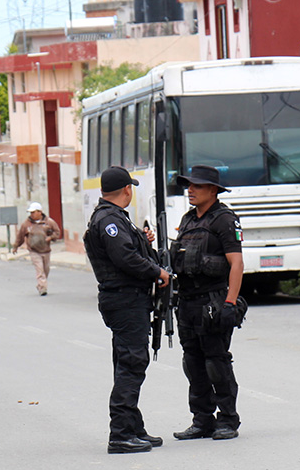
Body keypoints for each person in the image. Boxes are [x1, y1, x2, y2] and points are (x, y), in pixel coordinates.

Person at [83, 167, 171, 454]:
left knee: (126, 363)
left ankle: (133, 427)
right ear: (127, 190)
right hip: (125, 299)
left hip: (124, 298)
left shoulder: (113, 218)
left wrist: (144, 245)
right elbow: (124, 258)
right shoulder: (109, 219)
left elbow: (125, 251)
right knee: (132, 364)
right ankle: (120, 433)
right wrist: (156, 270)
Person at [171, 165, 245, 441]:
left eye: (197, 186)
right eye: (188, 185)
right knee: (193, 362)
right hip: (187, 303)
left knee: (216, 362)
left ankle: (227, 419)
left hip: (213, 300)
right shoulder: (188, 220)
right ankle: (202, 420)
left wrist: (230, 302)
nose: (190, 190)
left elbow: (236, 264)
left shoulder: (224, 220)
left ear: (213, 190)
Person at [13, 201, 61, 296]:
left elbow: (57, 232)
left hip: (46, 250)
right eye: (30, 213)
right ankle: (43, 288)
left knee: (46, 269)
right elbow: (20, 236)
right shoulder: (27, 224)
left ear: (40, 212)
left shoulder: (49, 222)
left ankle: (40, 285)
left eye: (33, 212)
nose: (31, 215)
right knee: (40, 269)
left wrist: (50, 237)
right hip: (34, 250)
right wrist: (16, 246)